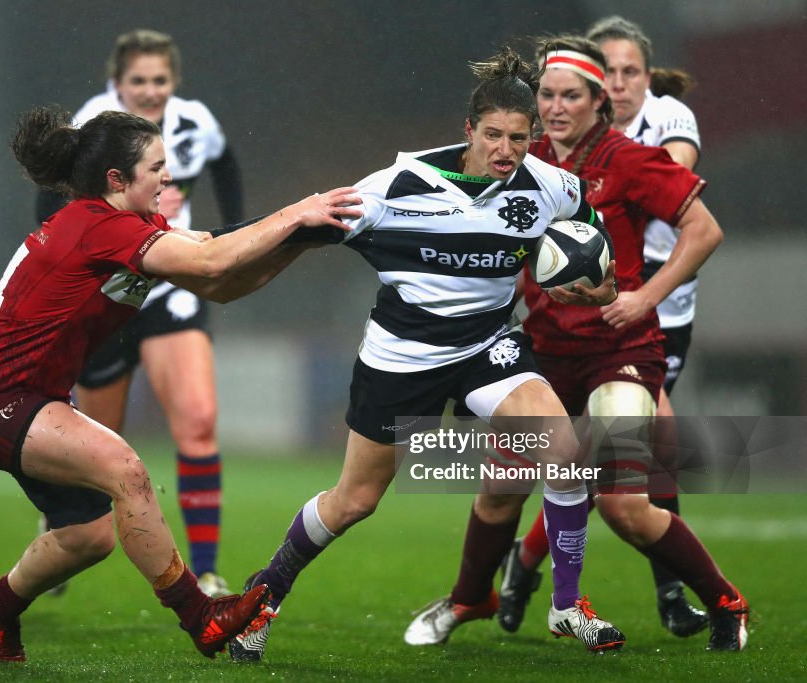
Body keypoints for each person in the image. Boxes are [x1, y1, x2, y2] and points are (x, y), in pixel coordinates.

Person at [228, 47, 627, 663]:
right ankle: (265, 593)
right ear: (468, 131)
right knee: (355, 499)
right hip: (402, 355)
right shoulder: (395, 189)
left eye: (519, 138)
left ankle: (566, 604)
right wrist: (212, 250)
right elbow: (296, 228)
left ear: (534, 137)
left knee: (565, 453)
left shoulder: (553, 188)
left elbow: (600, 258)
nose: (505, 150)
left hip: (486, 345)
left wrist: (600, 285)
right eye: (492, 135)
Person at [0, 105, 361, 662]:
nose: (169, 177)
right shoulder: (99, 225)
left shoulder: (130, 228)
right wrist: (297, 212)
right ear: (117, 180)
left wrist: (310, 238)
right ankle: (203, 617)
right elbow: (215, 261)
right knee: (126, 470)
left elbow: (221, 286)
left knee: (87, 536)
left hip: (26, 398)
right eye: (157, 167)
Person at [407, 35, 748, 652]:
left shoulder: (630, 159)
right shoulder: (523, 157)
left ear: (600, 101)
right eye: (548, 95)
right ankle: (470, 598)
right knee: (498, 493)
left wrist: (645, 298)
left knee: (623, 506)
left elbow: (705, 229)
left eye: (571, 95)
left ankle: (726, 600)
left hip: (620, 353)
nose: (557, 107)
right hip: (543, 355)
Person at [498, 16, 710, 639]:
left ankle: (527, 567)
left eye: (629, 73)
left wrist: (619, 182)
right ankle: (670, 594)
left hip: (660, 310)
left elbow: (673, 182)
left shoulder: (665, 124)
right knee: (619, 464)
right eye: (608, 73)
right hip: (599, 326)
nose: (619, 85)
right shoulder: (565, 138)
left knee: (612, 469)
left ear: (648, 78)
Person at [36, 29, 242, 598]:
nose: (150, 92)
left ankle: (205, 568)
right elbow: (47, 205)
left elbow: (226, 167)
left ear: (174, 82)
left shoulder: (195, 122)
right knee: (99, 445)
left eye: (160, 80)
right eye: (138, 81)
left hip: (172, 289)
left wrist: (230, 234)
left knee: (198, 423)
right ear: (116, 83)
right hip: (108, 296)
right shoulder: (94, 127)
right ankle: (66, 526)